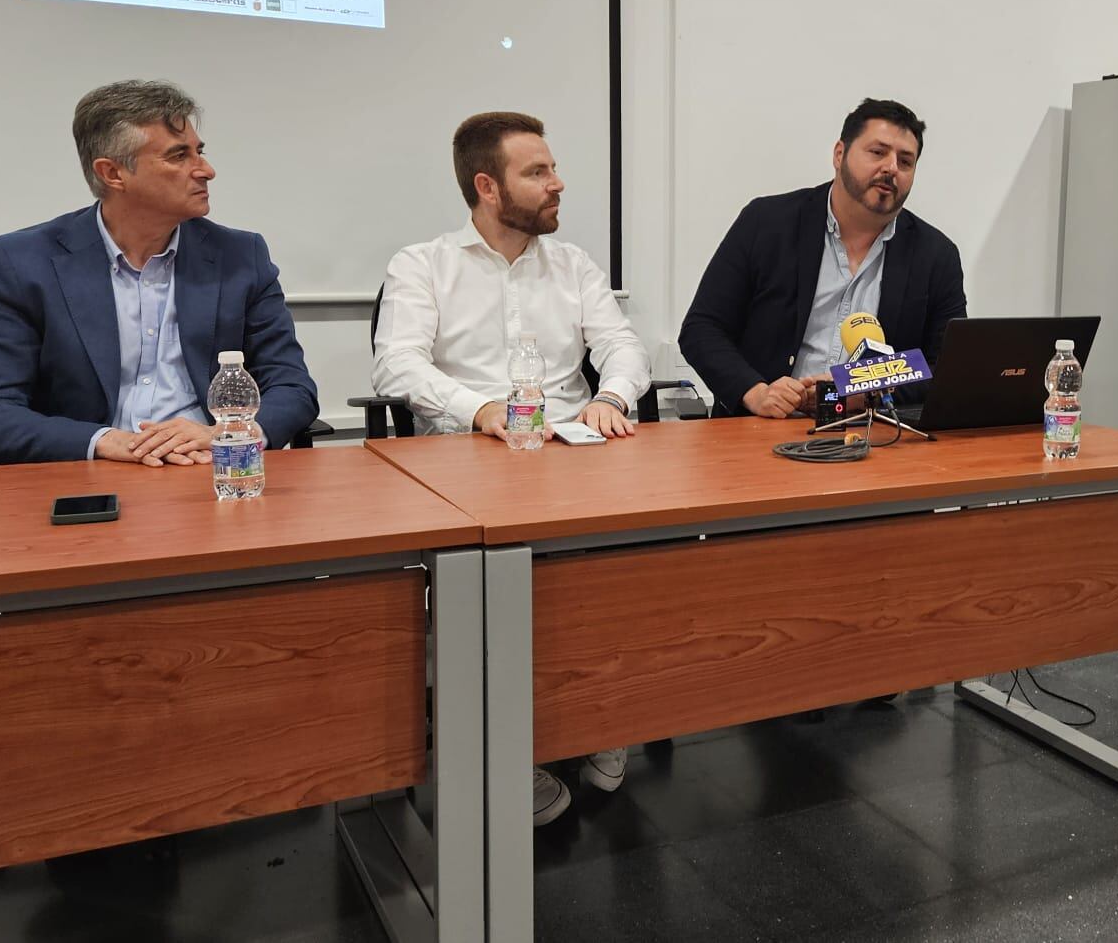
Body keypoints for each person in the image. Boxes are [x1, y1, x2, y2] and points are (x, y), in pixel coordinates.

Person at [372, 112, 644, 825]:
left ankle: (598, 714)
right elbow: (396, 363)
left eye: (553, 169)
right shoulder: (422, 264)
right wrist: (481, 408)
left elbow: (622, 346)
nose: (558, 184)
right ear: (487, 186)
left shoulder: (574, 264)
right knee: (496, 595)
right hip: (465, 459)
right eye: (538, 172)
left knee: (623, 575)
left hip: (574, 454)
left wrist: (612, 395)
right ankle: (504, 750)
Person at [0, 80, 317, 466]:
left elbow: (292, 386)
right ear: (113, 173)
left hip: (208, 471)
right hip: (84, 477)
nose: (206, 170)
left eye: (200, 152)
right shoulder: (20, 264)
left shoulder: (241, 256)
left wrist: (225, 435)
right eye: (179, 156)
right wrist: (107, 441)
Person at [679, 98, 967, 418]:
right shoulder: (767, 223)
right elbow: (701, 329)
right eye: (877, 152)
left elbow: (944, 367)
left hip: (872, 434)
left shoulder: (935, 254)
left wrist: (858, 390)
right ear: (839, 154)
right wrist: (755, 392)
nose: (891, 168)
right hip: (762, 426)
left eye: (905, 161)